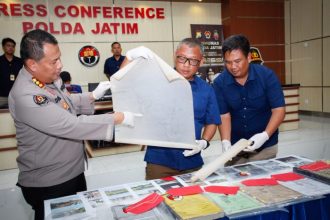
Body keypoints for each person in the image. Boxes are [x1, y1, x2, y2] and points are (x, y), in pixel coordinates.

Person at [8, 29, 139, 220]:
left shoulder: (47, 79)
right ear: (32, 64)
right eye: (54, 61)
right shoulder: (27, 95)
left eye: (59, 58)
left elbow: (65, 102)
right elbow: (71, 126)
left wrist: (92, 95)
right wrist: (117, 118)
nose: (60, 65)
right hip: (50, 182)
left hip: (71, 172)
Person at [121, 38, 221, 180]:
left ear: (201, 61)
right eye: (182, 59)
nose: (186, 65)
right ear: (175, 56)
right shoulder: (156, 81)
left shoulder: (206, 90)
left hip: (192, 161)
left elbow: (212, 121)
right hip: (159, 161)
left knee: (195, 200)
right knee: (159, 200)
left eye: (193, 61)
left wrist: (204, 142)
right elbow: (123, 82)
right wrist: (130, 56)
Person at [213, 34, 285, 165]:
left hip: (265, 146)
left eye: (237, 61)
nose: (233, 67)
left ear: (249, 57)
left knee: (262, 183)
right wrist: (226, 141)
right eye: (228, 62)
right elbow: (224, 115)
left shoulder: (267, 76)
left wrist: (264, 135)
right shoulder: (220, 83)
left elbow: (278, 110)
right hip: (235, 148)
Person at [0, 38, 23, 108]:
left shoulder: (20, 61)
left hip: (17, 96)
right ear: (3, 47)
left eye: (13, 46)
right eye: (8, 45)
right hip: (1, 96)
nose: (11, 48)